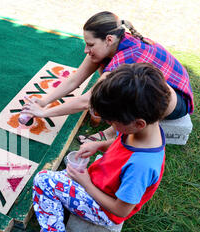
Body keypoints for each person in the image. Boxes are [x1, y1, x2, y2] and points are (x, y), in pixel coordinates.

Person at [19, 63, 169, 232]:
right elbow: (122, 146)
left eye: (113, 122)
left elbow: (120, 210)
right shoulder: (145, 131)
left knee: (44, 181)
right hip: (99, 182)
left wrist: (86, 183)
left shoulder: (141, 166)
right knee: (65, 174)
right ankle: (70, 193)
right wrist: (99, 145)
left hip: (105, 211)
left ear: (137, 123)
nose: (109, 125)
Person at [20, 11, 194, 143]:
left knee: (116, 88)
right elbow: (74, 80)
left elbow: (87, 101)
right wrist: (43, 101)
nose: (85, 50)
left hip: (177, 100)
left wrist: (44, 113)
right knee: (117, 85)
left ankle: (112, 133)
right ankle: (113, 130)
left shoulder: (126, 57)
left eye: (90, 44)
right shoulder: (110, 45)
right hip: (161, 87)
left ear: (109, 39)